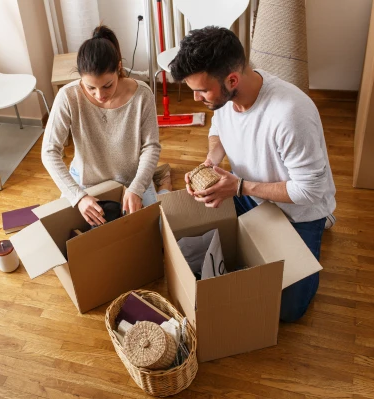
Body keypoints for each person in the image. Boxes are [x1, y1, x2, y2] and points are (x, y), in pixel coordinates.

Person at [169, 26, 336, 322]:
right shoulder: (222, 98)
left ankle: (324, 222)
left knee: (287, 311)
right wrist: (210, 164)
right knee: (188, 228)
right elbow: (218, 131)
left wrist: (241, 187)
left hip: (297, 212)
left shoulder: (290, 114)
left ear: (232, 79)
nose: (196, 98)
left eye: (201, 90)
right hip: (248, 193)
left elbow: (310, 191)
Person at [42, 25, 171, 227]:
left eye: (107, 85)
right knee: (69, 238)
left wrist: (137, 187)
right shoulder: (68, 96)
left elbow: (151, 147)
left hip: (132, 180)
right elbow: (49, 152)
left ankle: (163, 184)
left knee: (157, 235)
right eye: (90, 87)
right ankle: (160, 178)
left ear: (119, 68)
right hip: (85, 180)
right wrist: (78, 196)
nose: (100, 95)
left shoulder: (142, 94)